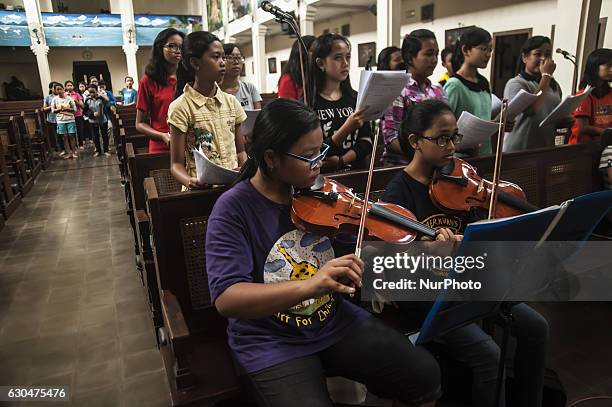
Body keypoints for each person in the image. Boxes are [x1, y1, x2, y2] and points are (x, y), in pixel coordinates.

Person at [205, 98, 441, 407]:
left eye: (321, 151)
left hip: (333, 322)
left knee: (425, 375)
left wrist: (417, 248)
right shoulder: (233, 208)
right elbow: (227, 298)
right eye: (308, 155)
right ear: (271, 158)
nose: (319, 162)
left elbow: (358, 254)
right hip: (270, 340)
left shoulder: (323, 196)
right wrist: (313, 283)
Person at [382, 99, 549, 407]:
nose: (451, 147)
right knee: (490, 355)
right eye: (442, 138)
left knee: (536, 327)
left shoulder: (459, 182)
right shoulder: (398, 194)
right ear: (415, 141)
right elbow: (391, 268)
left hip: (467, 281)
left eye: (455, 137)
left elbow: (474, 235)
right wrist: (428, 252)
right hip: (425, 295)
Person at [168, 31, 247, 190]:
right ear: (195, 63)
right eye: (215, 57)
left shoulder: (231, 102)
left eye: (223, 57)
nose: (223, 62)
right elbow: (176, 165)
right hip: (200, 191)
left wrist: (245, 170)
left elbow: (240, 152)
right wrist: (190, 181)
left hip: (234, 187)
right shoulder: (181, 107)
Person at [382, 29, 447, 166]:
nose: (434, 60)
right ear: (410, 58)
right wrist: (422, 154)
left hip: (434, 165)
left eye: (436, 54)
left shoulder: (438, 91)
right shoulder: (398, 90)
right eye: (428, 54)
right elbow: (390, 137)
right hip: (402, 167)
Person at [309, 33, 372, 172]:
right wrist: (346, 129)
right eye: (338, 57)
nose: (345, 63)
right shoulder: (309, 103)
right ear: (321, 63)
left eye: (348, 57)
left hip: (356, 173)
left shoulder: (356, 98)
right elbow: (315, 151)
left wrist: (342, 160)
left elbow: (367, 141)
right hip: (323, 178)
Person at [503, 36, 574, 152]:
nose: (543, 59)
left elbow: (549, 116)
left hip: (544, 148)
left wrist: (565, 119)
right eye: (537, 54)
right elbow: (532, 110)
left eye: (547, 54)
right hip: (518, 149)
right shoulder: (516, 83)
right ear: (525, 58)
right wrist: (546, 75)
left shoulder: (554, 86)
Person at [444, 27, 500, 155]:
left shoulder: (484, 83)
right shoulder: (454, 85)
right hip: (460, 157)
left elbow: (484, 117)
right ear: (466, 50)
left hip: (484, 153)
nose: (488, 54)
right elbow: (444, 125)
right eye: (483, 49)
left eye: (490, 50)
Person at [136, 28, 185, 153]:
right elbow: (140, 124)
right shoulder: (148, 81)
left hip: (189, 145)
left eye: (181, 46)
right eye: (172, 46)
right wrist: (162, 136)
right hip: (162, 146)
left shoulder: (189, 77)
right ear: (160, 49)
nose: (178, 50)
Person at [570, 48, 612, 144]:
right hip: (582, 149)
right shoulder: (584, 95)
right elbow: (583, 128)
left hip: (604, 145)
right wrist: (607, 133)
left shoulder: (610, 93)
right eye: (609, 65)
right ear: (595, 66)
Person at [219, 43, 262, 110]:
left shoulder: (249, 88)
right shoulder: (214, 90)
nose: (236, 62)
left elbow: (257, 116)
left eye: (239, 57)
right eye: (230, 57)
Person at [278, 35, 316, 102]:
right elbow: (288, 108)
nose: (317, 54)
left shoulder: (319, 73)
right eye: (312, 51)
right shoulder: (288, 79)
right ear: (301, 53)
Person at [51, 83, 78, 159]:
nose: (59, 91)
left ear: (63, 89)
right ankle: (68, 153)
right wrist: (59, 109)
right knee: (64, 137)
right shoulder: (54, 99)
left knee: (71, 136)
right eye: (57, 89)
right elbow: (53, 110)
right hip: (60, 120)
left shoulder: (69, 98)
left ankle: (73, 152)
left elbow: (75, 109)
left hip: (70, 119)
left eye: (60, 89)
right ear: (55, 91)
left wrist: (67, 109)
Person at [85, 85, 110, 157]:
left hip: (102, 120)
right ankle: (98, 151)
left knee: (104, 135)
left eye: (93, 92)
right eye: (90, 92)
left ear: (96, 91)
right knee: (95, 136)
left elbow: (107, 100)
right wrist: (92, 114)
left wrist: (100, 93)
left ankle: (106, 150)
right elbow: (85, 111)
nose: (92, 94)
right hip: (93, 120)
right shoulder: (87, 100)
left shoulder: (101, 98)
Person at [43, 81, 63, 155]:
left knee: (64, 134)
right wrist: (52, 106)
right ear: (51, 88)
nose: (56, 89)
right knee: (57, 134)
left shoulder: (62, 96)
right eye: (54, 87)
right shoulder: (48, 97)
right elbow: (44, 108)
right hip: (53, 119)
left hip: (62, 117)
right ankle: (60, 148)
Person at [64, 80, 85, 149]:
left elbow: (82, 106)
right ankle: (74, 145)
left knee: (80, 130)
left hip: (78, 114)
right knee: (71, 131)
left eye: (71, 85)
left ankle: (81, 144)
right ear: (65, 87)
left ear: (73, 86)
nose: (70, 87)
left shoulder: (77, 94)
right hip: (69, 115)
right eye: (68, 85)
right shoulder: (64, 95)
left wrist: (75, 101)